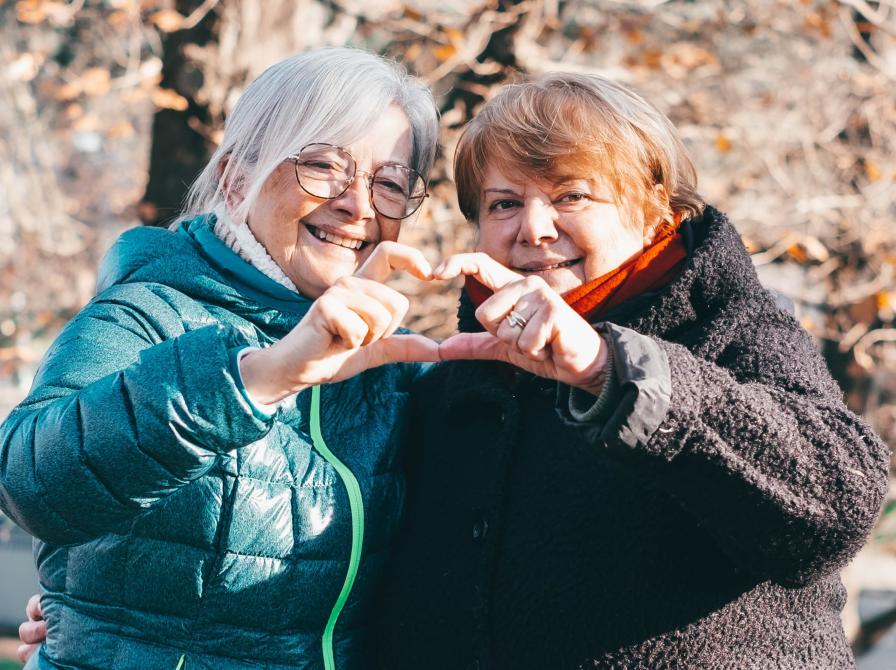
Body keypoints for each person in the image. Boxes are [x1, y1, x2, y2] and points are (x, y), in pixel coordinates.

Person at [370, 72, 891, 669]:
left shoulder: (732, 328)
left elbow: (839, 505)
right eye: (505, 203)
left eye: (571, 196)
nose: (534, 228)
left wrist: (607, 370)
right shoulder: (454, 382)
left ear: (653, 211)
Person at [1, 47, 442, 670]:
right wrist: (252, 383)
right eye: (323, 166)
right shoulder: (146, 315)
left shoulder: (392, 371)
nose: (357, 203)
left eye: (389, 184)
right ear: (236, 179)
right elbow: (30, 482)